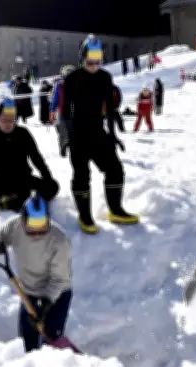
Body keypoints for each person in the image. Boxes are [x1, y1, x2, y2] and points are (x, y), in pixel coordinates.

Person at [62, 41, 138, 234]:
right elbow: (66, 112)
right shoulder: (73, 78)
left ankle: (116, 210)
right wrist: (66, 137)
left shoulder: (105, 77)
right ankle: (85, 216)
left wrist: (112, 135)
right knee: (81, 175)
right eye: (90, 63)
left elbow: (110, 109)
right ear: (82, 59)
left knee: (115, 169)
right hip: (78, 134)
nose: (94, 67)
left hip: (98, 132)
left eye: (98, 62)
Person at [0, 193, 73, 352]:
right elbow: (1, 236)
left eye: (42, 223)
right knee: (27, 342)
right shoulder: (14, 226)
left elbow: (60, 279)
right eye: (33, 224)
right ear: (23, 219)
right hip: (29, 294)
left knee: (52, 339)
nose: (37, 230)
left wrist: (46, 303)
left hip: (57, 295)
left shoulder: (59, 239)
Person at [0, 98, 60, 215]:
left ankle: (13, 202)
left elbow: (36, 157)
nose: (9, 124)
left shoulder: (23, 133)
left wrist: (47, 177)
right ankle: (5, 202)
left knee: (53, 187)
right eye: (5, 119)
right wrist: (17, 188)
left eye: (12, 119)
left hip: (24, 176)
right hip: (3, 179)